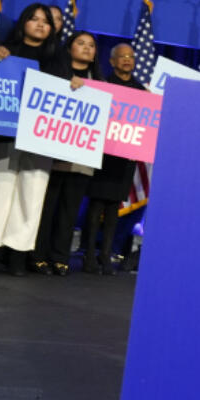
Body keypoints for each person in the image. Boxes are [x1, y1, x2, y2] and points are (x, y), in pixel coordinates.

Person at [0, 4, 60, 275]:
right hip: (4, 131)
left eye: (45, 21)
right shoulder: (4, 50)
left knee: (31, 195)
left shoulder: (58, 58)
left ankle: (17, 256)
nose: (40, 24)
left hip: (40, 136)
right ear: (23, 22)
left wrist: (75, 84)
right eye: (34, 19)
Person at [33, 32, 103, 276]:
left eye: (91, 45)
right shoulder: (55, 73)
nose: (86, 48)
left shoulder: (100, 82)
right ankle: (38, 255)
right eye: (81, 43)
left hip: (83, 155)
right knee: (47, 206)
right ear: (69, 47)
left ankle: (60, 258)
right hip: (54, 153)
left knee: (69, 209)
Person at [82, 43, 144, 275]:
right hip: (101, 155)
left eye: (131, 56)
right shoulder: (103, 85)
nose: (127, 60)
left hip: (125, 159)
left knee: (112, 210)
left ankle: (105, 256)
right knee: (95, 206)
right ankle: (88, 255)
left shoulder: (141, 91)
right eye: (122, 56)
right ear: (112, 61)